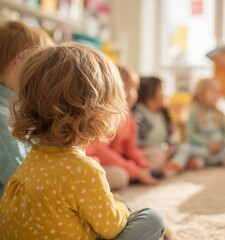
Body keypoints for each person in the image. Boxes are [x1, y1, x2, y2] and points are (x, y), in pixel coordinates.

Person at [0, 43, 165, 239]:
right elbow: (111, 227)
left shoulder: (31, 160)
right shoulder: (85, 170)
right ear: (100, 115)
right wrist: (120, 207)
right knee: (153, 219)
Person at [0, 21, 52, 198]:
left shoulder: (13, 109)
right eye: (41, 71)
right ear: (17, 67)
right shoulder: (3, 116)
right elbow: (21, 179)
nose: (44, 80)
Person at [86, 65, 160, 186]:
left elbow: (130, 148)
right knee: (120, 176)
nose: (131, 94)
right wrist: (134, 170)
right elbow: (102, 152)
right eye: (125, 89)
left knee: (156, 154)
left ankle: (137, 174)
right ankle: (134, 176)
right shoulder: (104, 117)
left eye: (134, 89)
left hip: (120, 160)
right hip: (101, 161)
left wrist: (142, 164)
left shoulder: (130, 118)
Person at [165, 78, 225, 176]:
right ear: (201, 93)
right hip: (202, 148)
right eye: (213, 91)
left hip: (217, 150)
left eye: (218, 92)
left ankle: (200, 161)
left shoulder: (220, 113)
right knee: (184, 147)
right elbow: (191, 134)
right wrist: (207, 144)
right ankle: (177, 164)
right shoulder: (194, 111)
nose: (216, 95)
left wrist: (221, 144)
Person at [133, 76, 176, 173]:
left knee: (183, 148)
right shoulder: (139, 113)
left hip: (163, 152)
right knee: (157, 155)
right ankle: (154, 170)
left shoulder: (163, 114)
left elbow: (172, 138)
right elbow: (135, 142)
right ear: (151, 92)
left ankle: (163, 168)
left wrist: (170, 149)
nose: (165, 94)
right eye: (162, 89)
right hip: (146, 153)